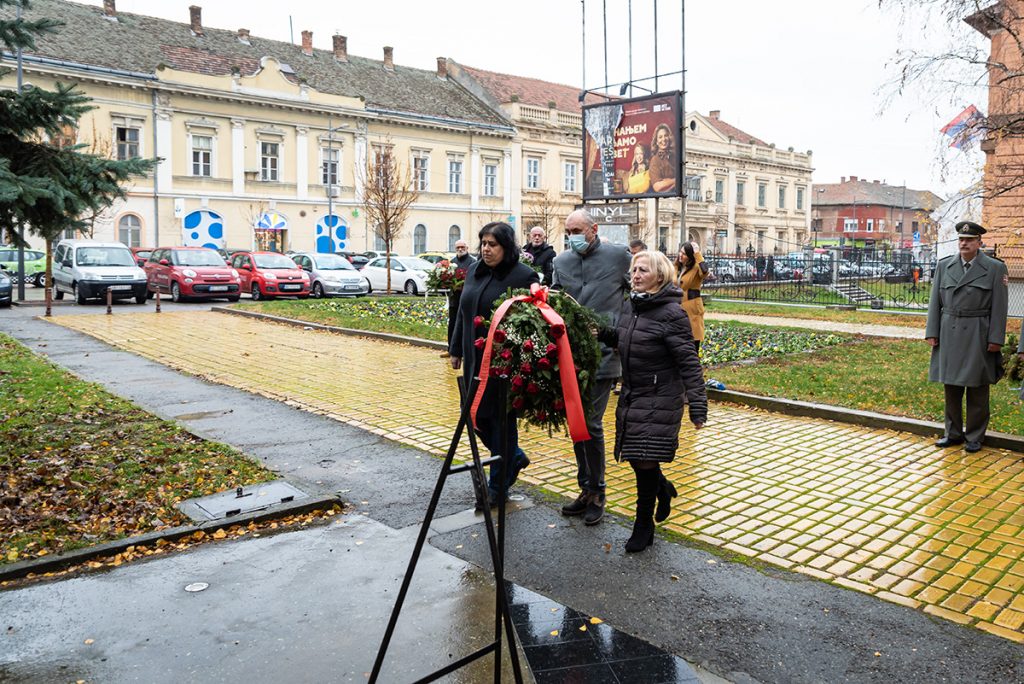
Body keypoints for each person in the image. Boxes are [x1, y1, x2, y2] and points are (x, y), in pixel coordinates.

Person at [601, 250, 706, 552]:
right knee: (637, 458)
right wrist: (600, 333)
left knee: (645, 460)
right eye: (633, 270)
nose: (634, 275)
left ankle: (643, 525)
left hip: (661, 395)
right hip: (633, 393)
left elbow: (688, 362)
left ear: (659, 276)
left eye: (642, 270)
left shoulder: (672, 314)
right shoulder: (631, 306)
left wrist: (698, 405)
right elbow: (625, 337)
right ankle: (663, 487)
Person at [449, 223, 539, 506]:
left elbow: (531, 324)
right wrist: (455, 349)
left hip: (503, 365)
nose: (486, 249)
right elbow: (463, 312)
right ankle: (513, 457)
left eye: (493, 244)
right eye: (483, 243)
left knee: (500, 423)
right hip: (474, 359)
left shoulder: (523, 276)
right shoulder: (475, 270)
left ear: (507, 247)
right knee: (476, 419)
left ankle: (498, 488)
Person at [552, 209, 631, 525]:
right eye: (568, 230)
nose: (572, 235)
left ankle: (598, 491)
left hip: (605, 354)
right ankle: (585, 488)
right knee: (576, 422)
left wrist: (619, 332)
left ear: (594, 229)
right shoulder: (561, 262)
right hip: (570, 355)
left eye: (577, 230)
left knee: (591, 423)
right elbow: (556, 303)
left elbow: (635, 293)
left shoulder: (617, 257)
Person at [926, 221, 1008, 453]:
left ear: (979, 243)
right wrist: (932, 331)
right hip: (949, 331)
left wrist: (996, 339)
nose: (964, 243)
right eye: (961, 240)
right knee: (950, 385)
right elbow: (935, 302)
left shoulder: (994, 268)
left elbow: (1000, 308)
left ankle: (974, 436)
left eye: (969, 240)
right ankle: (952, 433)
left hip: (978, 333)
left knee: (977, 387)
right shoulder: (945, 266)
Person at [674, 242, 709, 355]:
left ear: (690, 256)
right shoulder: (676, 266)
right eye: (680, 252)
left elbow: (704, 272)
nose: (680, 255)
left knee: (693, 342)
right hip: (677, 308)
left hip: (692, 309)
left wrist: (697, 253)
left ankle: (694, 367)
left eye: (684, 253)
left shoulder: (695, 268)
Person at [445, 239, 476, 345]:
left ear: (467, 248)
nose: (460, 249)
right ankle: (451, 348)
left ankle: (463, 348)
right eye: (458, 247)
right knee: (452, 323)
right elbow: (446, 278)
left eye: (462, 247)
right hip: (454, 297)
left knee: (465, 323)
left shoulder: (473, 262)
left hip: (466, 298)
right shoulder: (452, 262)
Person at [648, 123, 677, 193]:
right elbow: (657, 187)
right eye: (660, 137)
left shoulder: (675, 156)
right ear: (656, 141)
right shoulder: (655, 160)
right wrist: (675, 180)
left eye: (666, 136)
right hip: (663, 200)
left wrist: (667, 182)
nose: (663, 139)